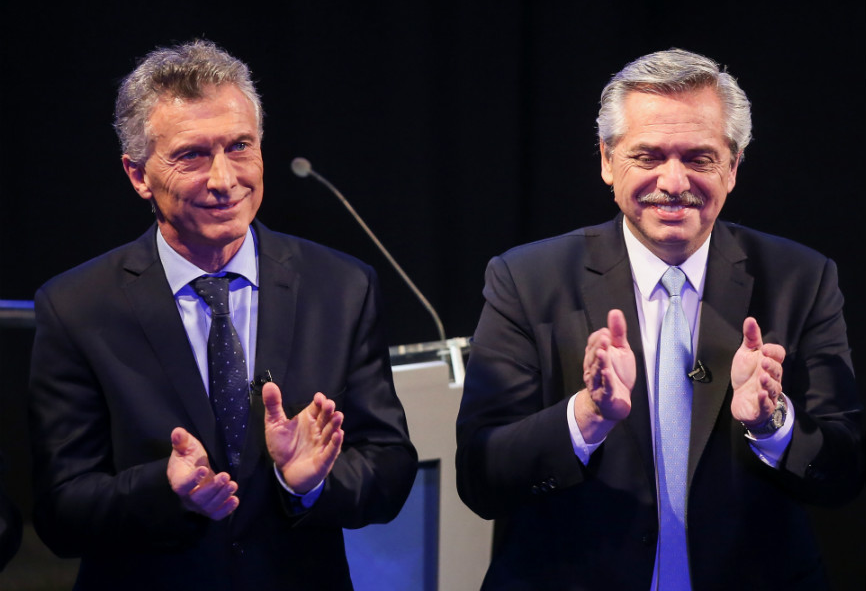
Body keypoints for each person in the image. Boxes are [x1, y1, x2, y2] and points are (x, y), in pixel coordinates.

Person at [456, 48, 863, 590]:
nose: (674, 182)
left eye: (699, 158)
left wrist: (773, 425)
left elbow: (843, 475)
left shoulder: (801, 279)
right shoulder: (527, 279)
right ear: (606, 160)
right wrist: (587, 417)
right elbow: (481, 479)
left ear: (733, 166)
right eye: (647, 156)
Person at [28, 40, 417, 590]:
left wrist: (304, 483)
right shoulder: (76, 307)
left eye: (240, 146)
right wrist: (166, 491)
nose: (224, 178)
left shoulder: (342, 286)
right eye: (191, 154)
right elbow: (59, 514)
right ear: (138, 174)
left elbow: (390, 467)